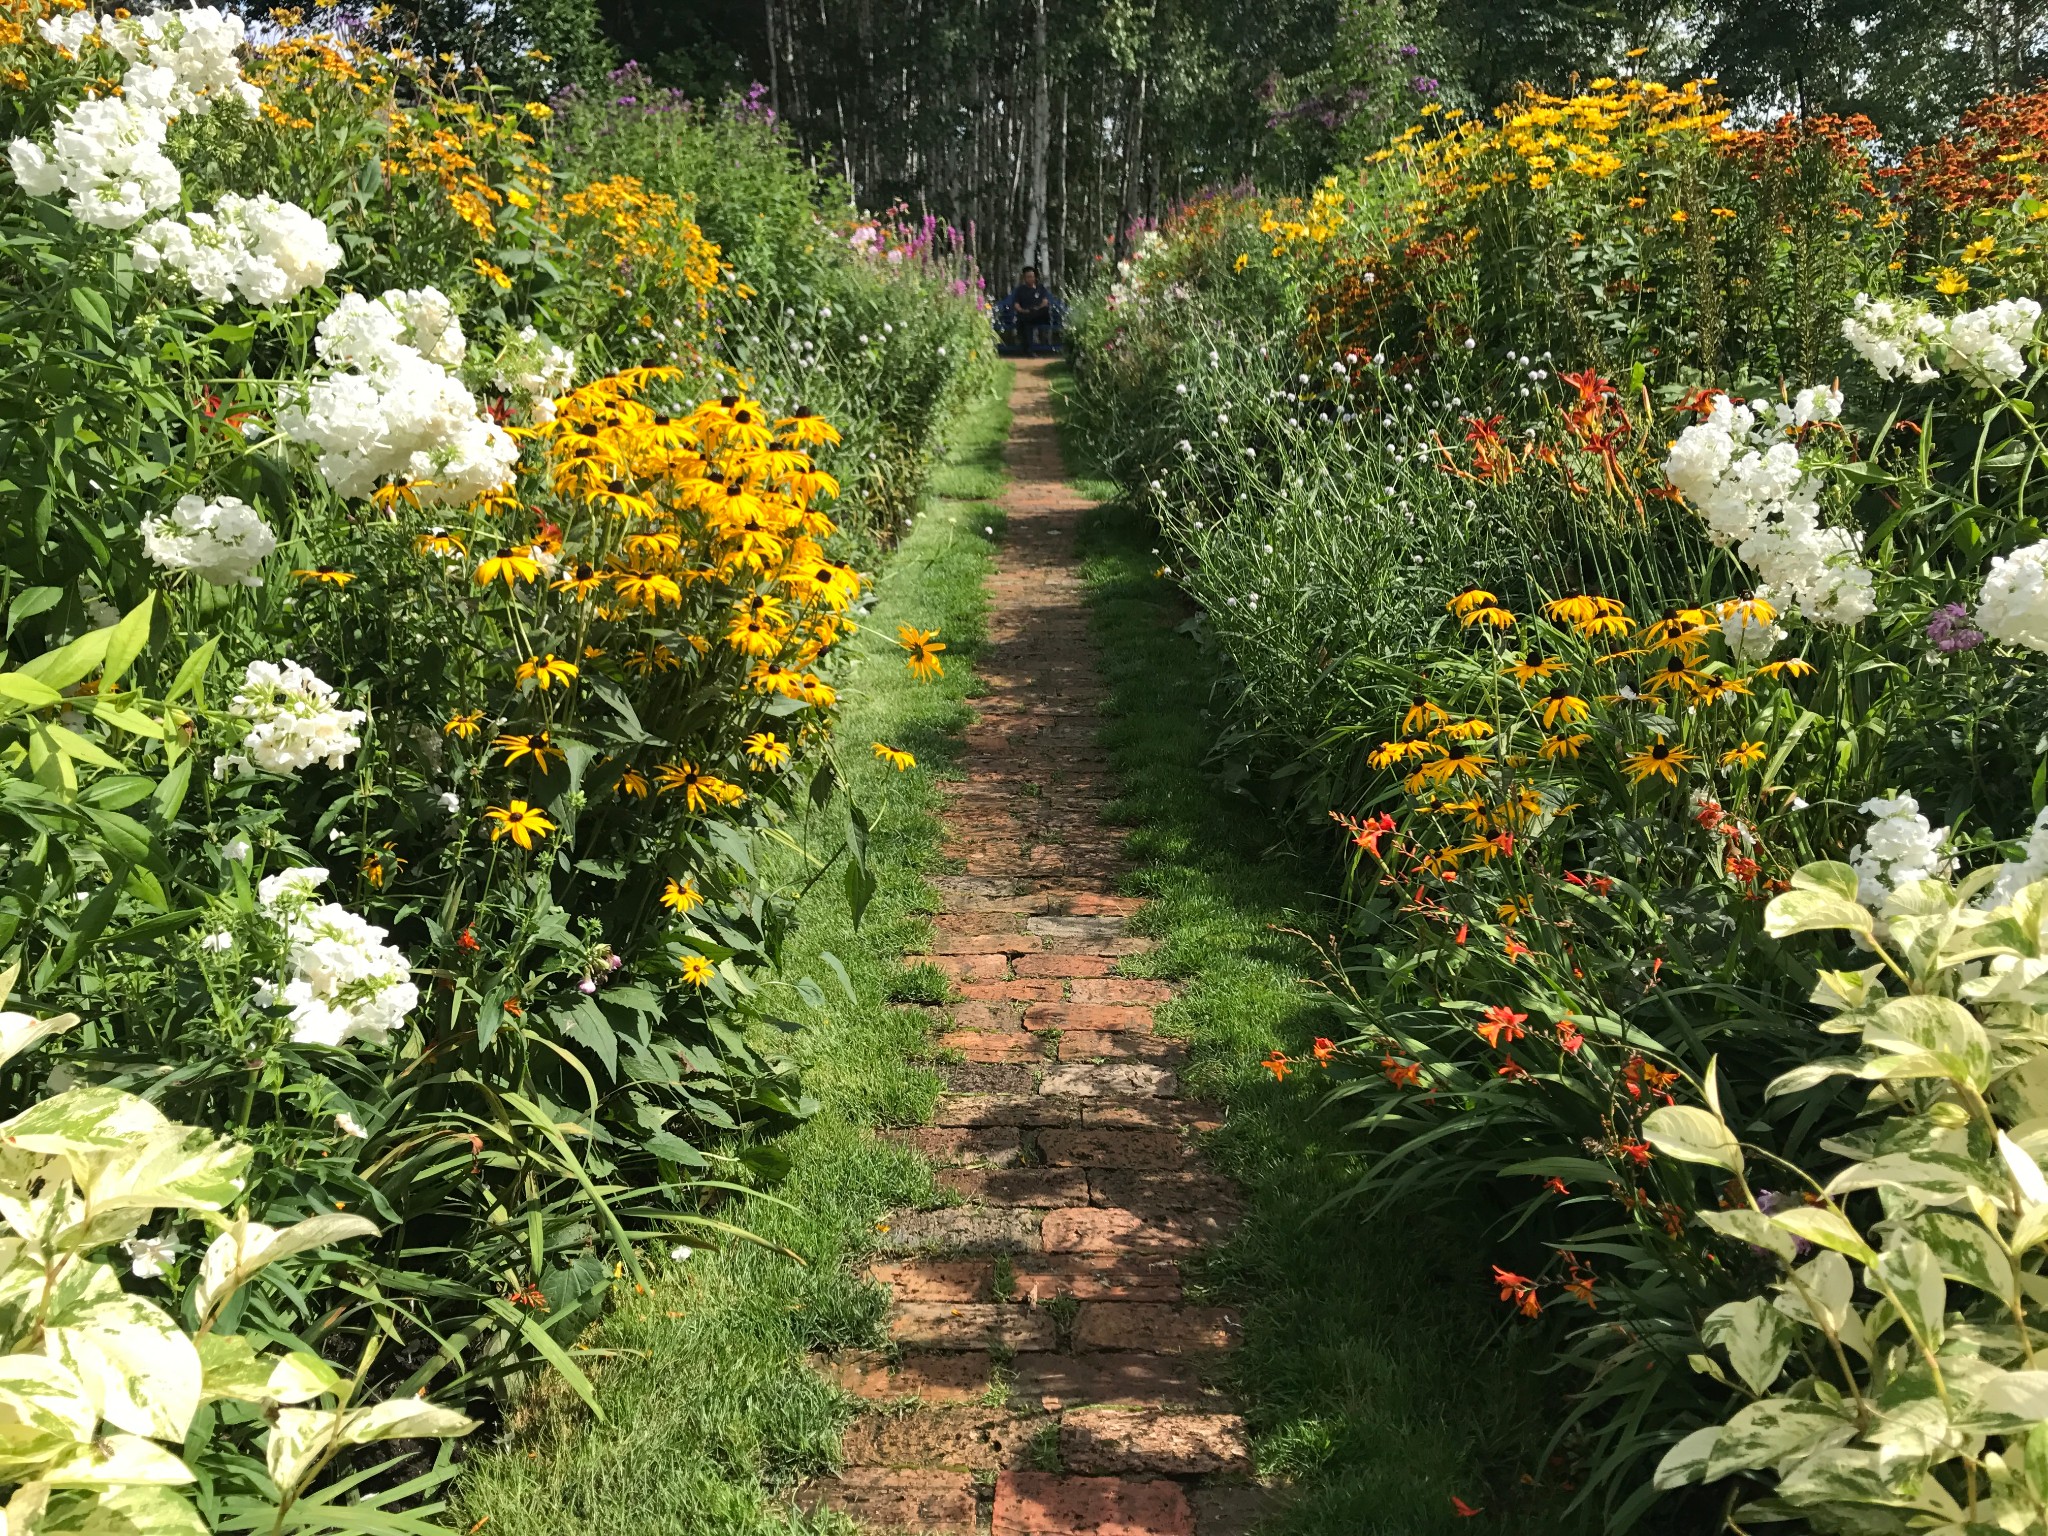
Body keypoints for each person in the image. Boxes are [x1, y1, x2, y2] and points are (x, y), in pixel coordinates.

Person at [1010, 267, 1053, 353]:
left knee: (1027, 318)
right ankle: (1029, 349)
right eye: (1028, 277)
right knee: (1027, 321)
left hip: (1040, 315)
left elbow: (1045, 302)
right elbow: (1016, 304)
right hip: (1026, 314)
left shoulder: (1040, 288)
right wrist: (1022, 311)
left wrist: (1036, 309)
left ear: (1035, 277)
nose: (1030, 279)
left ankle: (1026, 348)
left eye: (1032, 276)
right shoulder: (1020, 290)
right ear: (1024, 278)